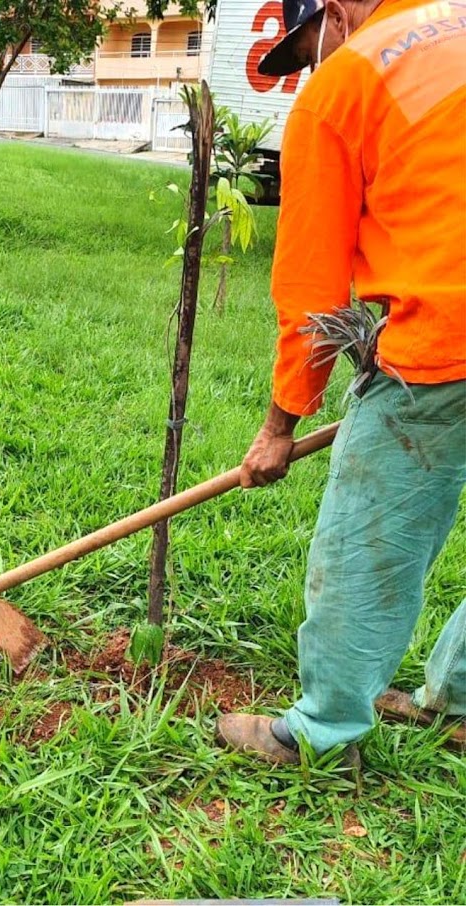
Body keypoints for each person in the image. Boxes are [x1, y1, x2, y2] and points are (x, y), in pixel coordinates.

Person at [216, 0, 466, 764]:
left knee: (370, 536)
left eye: (311, 44)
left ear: (336, 11)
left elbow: (313, 297)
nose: (314, 64)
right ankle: (459, 701)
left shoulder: (345, 83)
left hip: (448, 335)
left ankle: (322, 735)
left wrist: (280, 425)